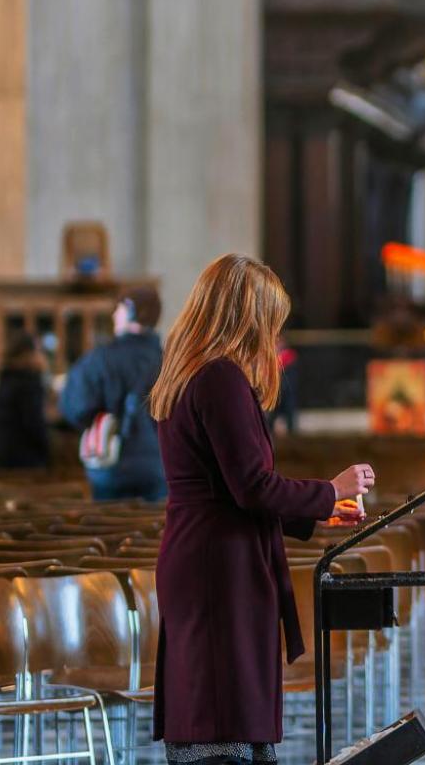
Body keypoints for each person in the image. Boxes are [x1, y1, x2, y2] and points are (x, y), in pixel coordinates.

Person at [149, 253, 371, 765]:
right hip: (219, 565)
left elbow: (229, 485)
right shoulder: (220, 377)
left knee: (216, 698)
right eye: (270, 321)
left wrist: (318, 511)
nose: (274, 335)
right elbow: (250, 485)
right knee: (221, 708)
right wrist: (328, 490)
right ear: (246, 317)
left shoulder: (191, 373)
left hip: (204, 552)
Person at [61, 286, 169, 502]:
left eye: (118, 308)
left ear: (130, 310)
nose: (113, 315)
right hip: (161, 466)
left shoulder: (100, 360)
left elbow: (75, 408)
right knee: (152, 531)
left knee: (108, 528)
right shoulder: (170, 362)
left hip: (110, 465)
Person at [0, 334, 54, 470]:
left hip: (3, 451)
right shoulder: (28, 382)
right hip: (27, 456)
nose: (41, 356)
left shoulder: (4, 379)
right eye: (38, 351)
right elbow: (34, 422)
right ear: (27, 355)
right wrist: (47, 450)